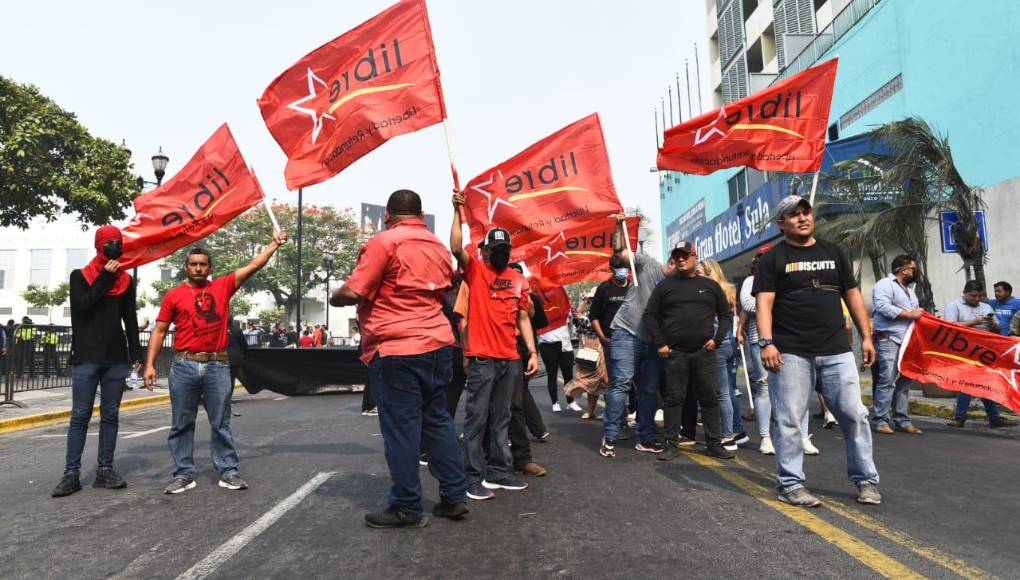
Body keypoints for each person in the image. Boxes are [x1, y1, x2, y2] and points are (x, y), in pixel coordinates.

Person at [332, 190, 468, 528]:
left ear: (388, 215)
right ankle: (453, 497)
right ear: (420, 214)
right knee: (437, 422)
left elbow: (356, 291)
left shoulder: (385, 242)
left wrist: (336, 295)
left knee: (402, 431)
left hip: (396, 348)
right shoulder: (437, 246)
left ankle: (407, 506)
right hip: (438, 344)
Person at [753, 195, 880, 507]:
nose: (802, 218)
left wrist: (866, 336)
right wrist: (767, 343)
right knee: (790, 419)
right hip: (791, 351)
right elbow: (764, 304)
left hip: (837, 349)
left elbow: (852, 295)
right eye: (794, 215)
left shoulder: (835, 251)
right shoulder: (773, 258)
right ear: (782, 223)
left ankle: (866, 480)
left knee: (855, 415)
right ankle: (790, 484)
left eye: (806, 212)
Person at [143, 228, 288, 495]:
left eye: (203, 264)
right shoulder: (173, 295)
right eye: (194, 264)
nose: (198, 268)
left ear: (210, 268)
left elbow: (255, 264)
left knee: (220, 422)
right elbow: (160, 331)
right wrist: (149, 364)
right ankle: (184, 474)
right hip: (184, 365)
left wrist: (274, 244)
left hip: (218, 365)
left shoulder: (223, 286)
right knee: (181, 423)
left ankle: (228, 471)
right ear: (186, 267)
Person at [451, 192, 538, 500]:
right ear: (485, 251)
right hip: (482, 359)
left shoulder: (518, 280)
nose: (501, 253)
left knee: (501, 419)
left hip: (510, 359)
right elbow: (456, 248)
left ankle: (498, 473)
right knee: (477, 419)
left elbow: (523, 318)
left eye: (505, 249)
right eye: (496, 249)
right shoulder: (476, 272)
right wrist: (457, 212)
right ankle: (471, 478)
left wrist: (533, 352)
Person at [51, 225, 143, 498]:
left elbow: (130, 319)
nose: (114, 246)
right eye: (109, 242)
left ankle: (105, 470)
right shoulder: (80, 276)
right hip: (86, 358)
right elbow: (83, 307)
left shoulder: (126, 281)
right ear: (98, 246)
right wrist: (105, 276)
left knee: (110, 416)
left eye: (118, 242)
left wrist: (136, 354)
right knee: (80, 416)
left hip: (116, 359)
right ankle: (71, 474)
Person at [645, 241, 734, 462]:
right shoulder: (664, 286)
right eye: (677, 256)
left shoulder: (710, 286)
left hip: (704, 353)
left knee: (709, 398)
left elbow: (725, 315)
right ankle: (671, 444)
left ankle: (714, 444)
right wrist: (660, 344)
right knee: (674, 399)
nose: (681, 259)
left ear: (695, 256)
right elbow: (650, 316)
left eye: (685, 255)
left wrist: (717, 340)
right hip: (675, 354)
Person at [600, 217, 674, 458]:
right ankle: (609, 438)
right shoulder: (649, 265)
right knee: (620, 385)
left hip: (653, 342)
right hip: (626, 333)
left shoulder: (678, 286)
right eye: (678, 260)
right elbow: (620, 252)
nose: (682, 264)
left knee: (649, 391)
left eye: (688, 259)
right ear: (671, 261)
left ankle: (646, 438)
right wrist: (618, 225)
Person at [944, 280, 1017, 428]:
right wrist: (974, 321)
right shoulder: (954, 306)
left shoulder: (986, 306)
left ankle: (993, 418)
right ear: (965, 293)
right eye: (973, 296)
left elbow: (997, 329)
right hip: (963, 350)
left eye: (979, 296)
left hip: (985, 351)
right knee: (966, 382)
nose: (977, 299)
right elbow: (949, 327)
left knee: (985, 383)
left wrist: (992, 324)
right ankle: (960, 417)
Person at [870, 255, 924, 435]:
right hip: (889, 338)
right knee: (888, 380)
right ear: (902, 269)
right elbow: (882, 307)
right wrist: (910, 315)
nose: (914, 272)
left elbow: (915, 314)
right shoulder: (885, 284)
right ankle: (880, 420)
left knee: (906, 380)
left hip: (908, 340)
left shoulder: (910, 290)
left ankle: (901, 419)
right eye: (913, 269)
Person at [701, 259, 748, 451]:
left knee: (721, 394)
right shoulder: (728, 289)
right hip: (730, 343)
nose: (698, 274)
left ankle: (727, 436)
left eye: (701, 271)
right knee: (728, 392)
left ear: (709, 272)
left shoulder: (710, 291)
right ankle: (738, 430)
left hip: (717, 344)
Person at [737, 244, 776, 454]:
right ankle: (765, 437)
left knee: (793, 390)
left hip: (789, 340)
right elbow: (749, 305)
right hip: (759, 340)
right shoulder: (750, 282)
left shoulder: (785, 279)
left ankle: (801, 437)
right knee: (764, 387)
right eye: (761, 258)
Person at [588, 264, 632, 421]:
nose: (623, 271)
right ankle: (618, 421)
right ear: (612, 270)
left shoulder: (634, 287)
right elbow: (594, 316)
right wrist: (602, 338)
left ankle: (633, 415)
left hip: (633, 341)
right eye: (620, 268)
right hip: (611, 341)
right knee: (615, 382)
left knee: (634, 381)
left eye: (626, 268)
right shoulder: (604, 288)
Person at [534, 281, 579, 412]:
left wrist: (577, 309)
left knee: (568, 376)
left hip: (566, 345)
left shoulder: (565, 307)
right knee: (552, 374)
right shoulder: (540, 307)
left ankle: (571, 401)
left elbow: (576, 320)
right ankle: (555, 402)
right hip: (547, 344)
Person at [227, 319, 248, 388]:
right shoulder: (237, 331)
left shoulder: (218, 330)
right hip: (233, 358)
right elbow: (244, 345)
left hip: (220, 357)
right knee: (231, 377)